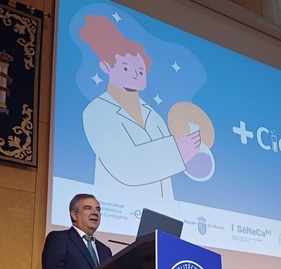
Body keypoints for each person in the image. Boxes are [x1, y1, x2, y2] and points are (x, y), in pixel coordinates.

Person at [79, 15, 201, 199]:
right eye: (126, 68)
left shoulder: (154, 116)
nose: (136, 74)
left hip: (160, 212)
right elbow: (123, 164)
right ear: (105, 66)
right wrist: (177, 151)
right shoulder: (97, 111)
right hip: (118, 208)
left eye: (141, 70)